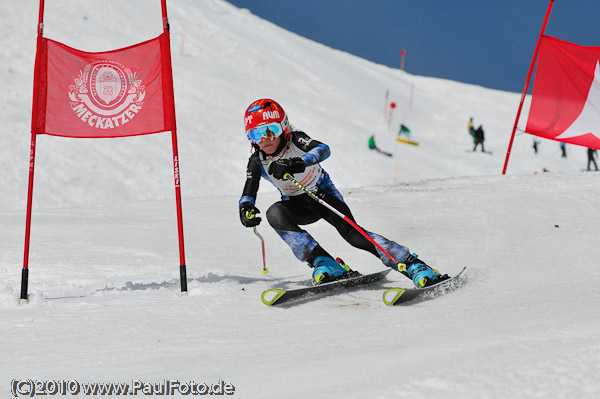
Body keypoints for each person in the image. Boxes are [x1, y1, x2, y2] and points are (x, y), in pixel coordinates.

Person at [238, 99, 448, 287]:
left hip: (321, 195)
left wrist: (296, 163)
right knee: (274, 214)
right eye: (257, 134)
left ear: (283, 128)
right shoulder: (257, 160)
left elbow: (323, 149)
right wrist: (245, 208)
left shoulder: (296, 140)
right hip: (297, 205)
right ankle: (325, 263)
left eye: (271, 130)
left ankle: (413, 265)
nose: (265, 139)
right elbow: (249, 189)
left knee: (355, 236)